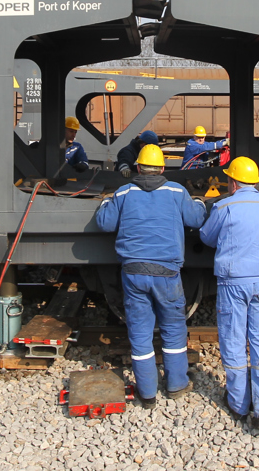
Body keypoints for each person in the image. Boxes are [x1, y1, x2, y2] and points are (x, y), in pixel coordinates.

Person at [95, 144, 207, 408]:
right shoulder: (176, 191)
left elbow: (105, 223)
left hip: (133, 274)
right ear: (162, 168)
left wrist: (106, 202)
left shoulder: (123, 193)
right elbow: (196, 219)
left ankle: (147, 393)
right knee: (173, 328)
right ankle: (176, 384)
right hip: (167, 273)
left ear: (137, 168)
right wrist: (200, 202)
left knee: (140, 331)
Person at [199, 156, 259, 432]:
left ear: (232, 182)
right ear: (254, 182)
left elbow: (207, 237)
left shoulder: (225, 206)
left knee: (233, 340)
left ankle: (239, 404)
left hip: (233, 283)